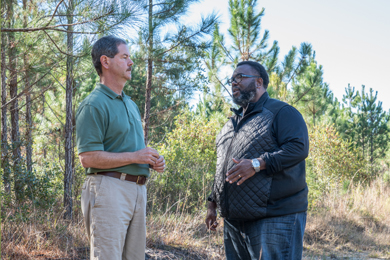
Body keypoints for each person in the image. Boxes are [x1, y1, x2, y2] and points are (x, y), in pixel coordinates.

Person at [205, 60, 309, 260]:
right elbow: (222, 168)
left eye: (240, 77)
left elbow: (298, 148)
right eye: (231, 79)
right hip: (234, 222)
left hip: (275, 217)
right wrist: (212, 204)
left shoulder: (281, 112)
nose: (234, 82)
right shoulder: (230, 124)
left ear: (259, 82)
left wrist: (256, 164)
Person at [76, 35, 165, 260]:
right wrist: (136, 156)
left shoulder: (131, 104)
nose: (131, 62)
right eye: (124, 57)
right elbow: (88, 158)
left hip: (138, 191)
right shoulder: (93, 104)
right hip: (108, 189)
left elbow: (131, 151)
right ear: (105, 62)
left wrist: (151, 160)